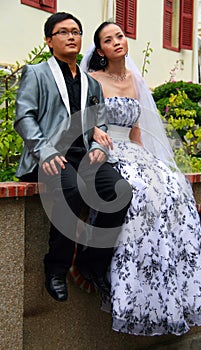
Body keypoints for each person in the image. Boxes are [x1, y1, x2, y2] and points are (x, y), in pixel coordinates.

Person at [76, 21, 201, 336]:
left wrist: (151, 161)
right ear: (100, 50)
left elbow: (137, 130)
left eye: (120, 36)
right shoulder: (91, 80)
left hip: (132, 150)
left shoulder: (135, 80)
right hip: (106, 151)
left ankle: (169, 291)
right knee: (137, 192)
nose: (116, 42)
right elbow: (84, 122)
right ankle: (125, 287)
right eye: (107, 40)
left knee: (171, 187)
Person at [14, 13, 132, 302]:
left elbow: (101, 124)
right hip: (50, 156)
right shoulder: (36, 73)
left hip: (85, 156)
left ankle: (93, 260)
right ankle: (55, 267)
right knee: (71, 189)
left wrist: (98, 147)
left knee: (121, 190)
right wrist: (44, 150)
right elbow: (24, 117)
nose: (71, 37)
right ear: (49, 40)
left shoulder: (92, 84)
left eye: (76, 32)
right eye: (63, 32)